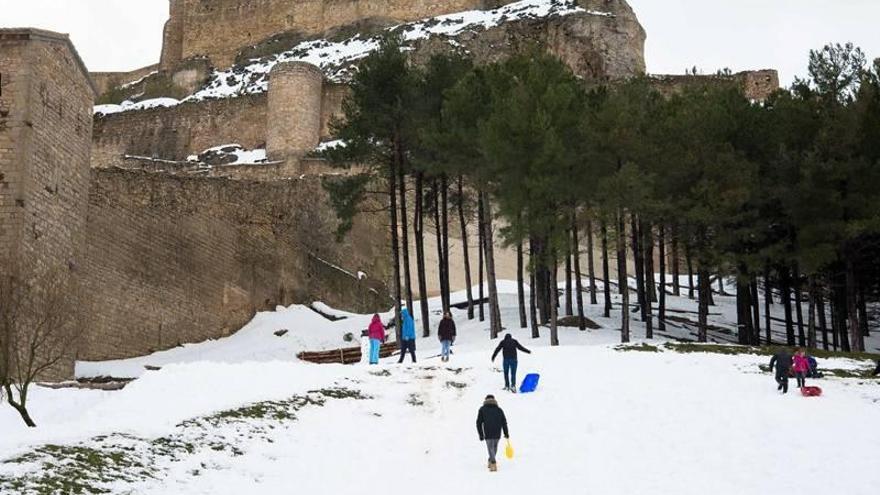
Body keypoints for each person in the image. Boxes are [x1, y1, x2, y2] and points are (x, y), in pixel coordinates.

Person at [476, 394, 509, 472]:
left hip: (488, 432)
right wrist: (506, 433)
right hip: (497, 432)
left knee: (490, 448)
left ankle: (492, 462)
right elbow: (504, 422)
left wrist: (481, 434)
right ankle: (492, 461)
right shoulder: (499, 410)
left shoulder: (482, 409)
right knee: (494, 448)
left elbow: (479, 423)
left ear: (485, 400)